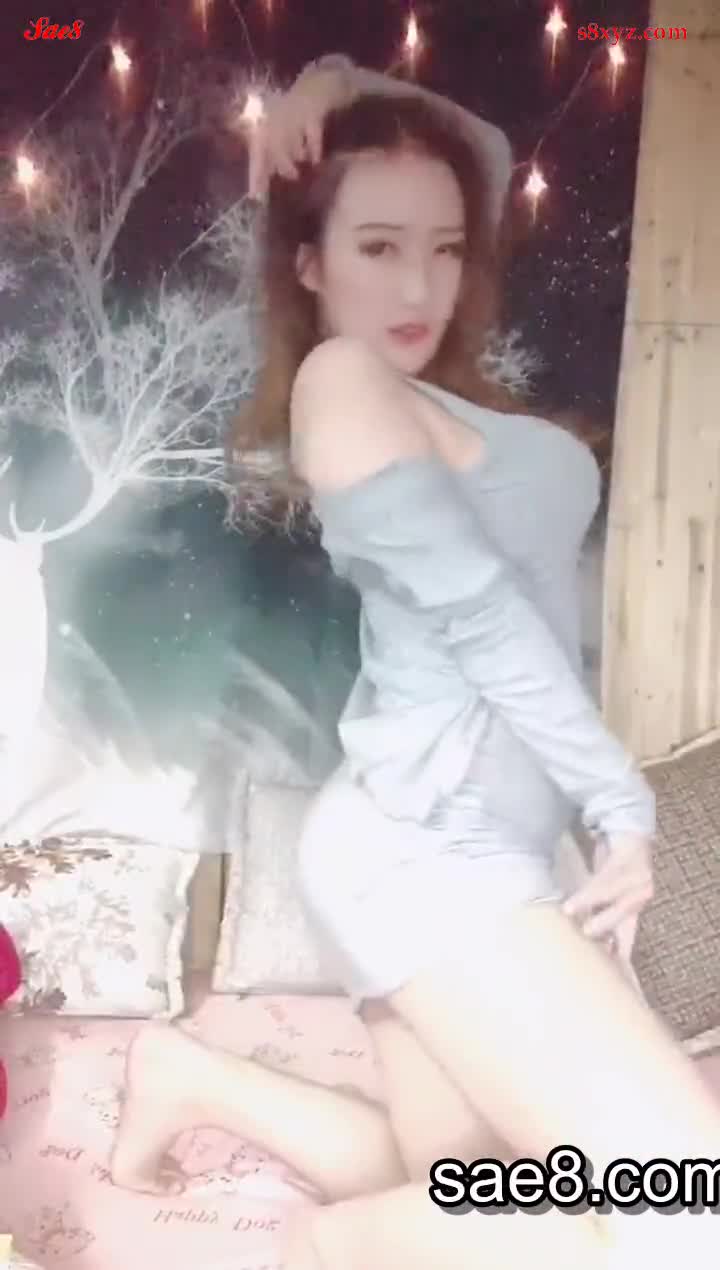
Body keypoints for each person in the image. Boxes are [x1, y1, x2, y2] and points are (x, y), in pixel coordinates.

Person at [111, 58, 720, 1270]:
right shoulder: (341, 383)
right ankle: (326, 1250)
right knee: (687, 1205)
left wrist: (338, 85)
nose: (419, 283)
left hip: (470, 838)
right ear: (308, 263)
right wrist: (621, 802)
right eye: (378, 247)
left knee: (476, 1192)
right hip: (426, 850)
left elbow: (476, 153)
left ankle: (191, 1078)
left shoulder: (434, 395)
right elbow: (485, 619)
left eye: (443, 250)